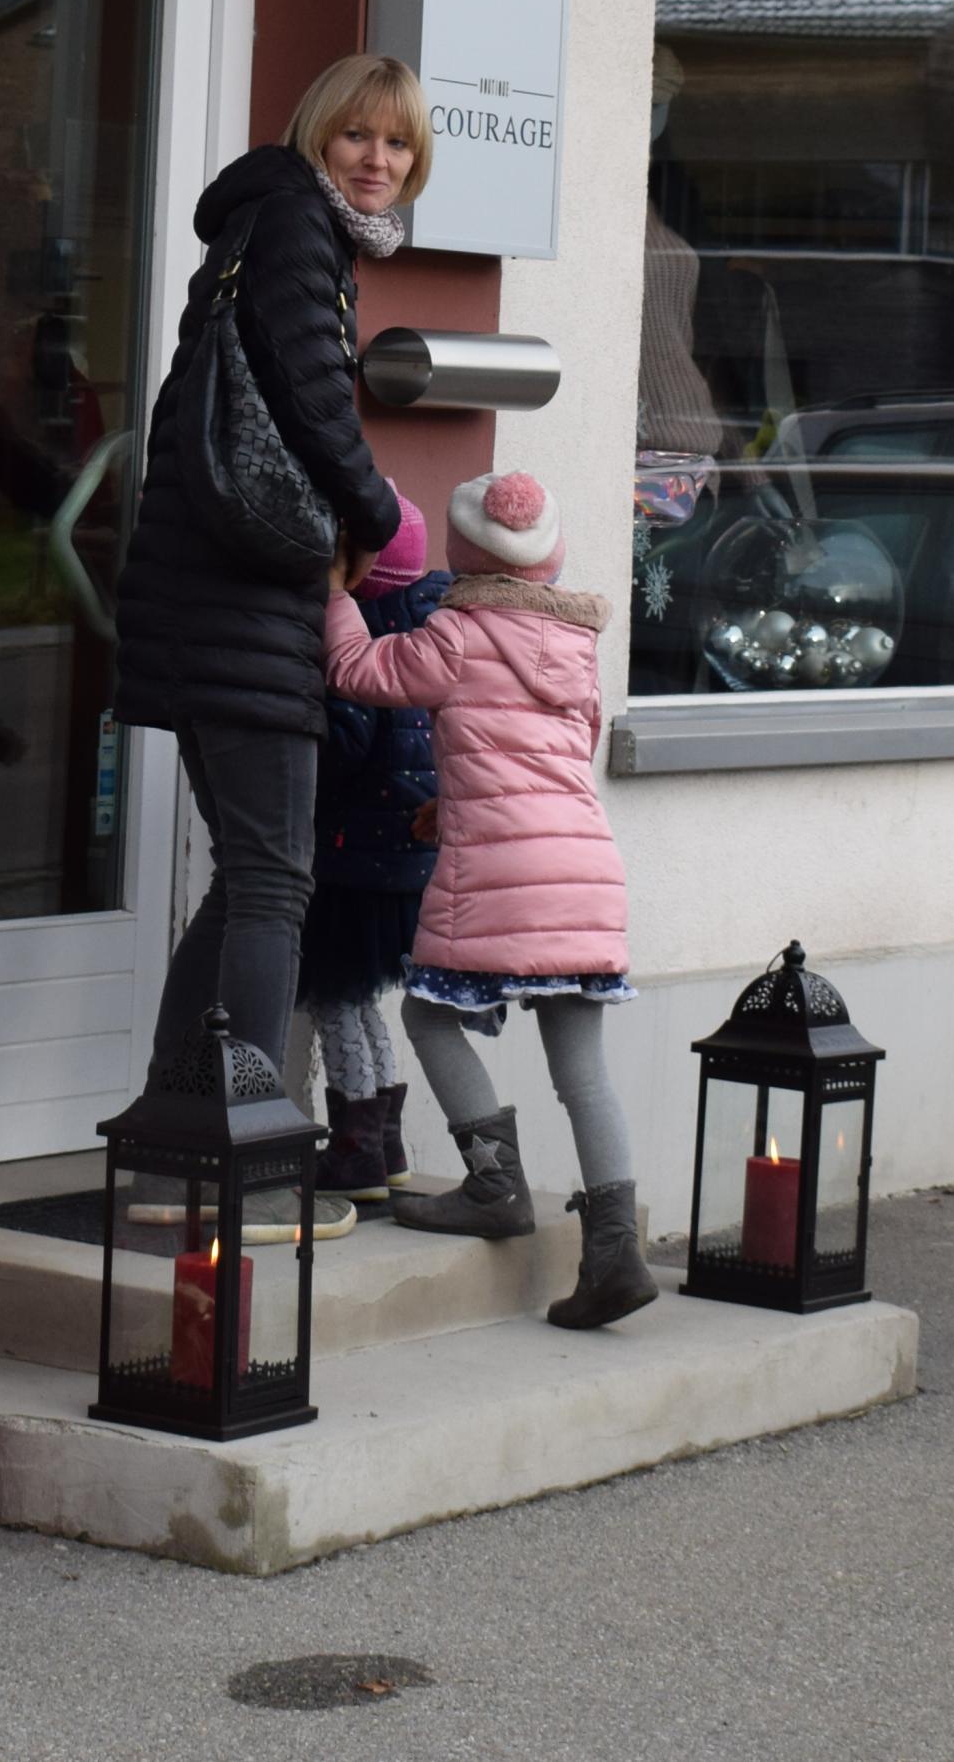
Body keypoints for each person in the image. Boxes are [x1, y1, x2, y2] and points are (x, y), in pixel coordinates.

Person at [111, 53, 417, 1099]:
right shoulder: (295, 223)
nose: (378, 159)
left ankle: (175, 1126)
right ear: (318, 132)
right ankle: (241, 1138)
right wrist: (378, 514)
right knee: (277, 884)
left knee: (248, 880)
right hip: (243, 598)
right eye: (358, 134)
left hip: (208, 595)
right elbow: (313, 395)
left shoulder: (271, 222)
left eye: (398, 143)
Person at [324, 469, 656, 1330]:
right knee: (583, 1073)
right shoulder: (577, 645)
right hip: (584, 873)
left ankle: (495, 1186)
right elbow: (553, 758)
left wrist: (333, 592)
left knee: (428, 1016)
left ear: (464, 555)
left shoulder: (457, 635)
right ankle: (616, 1251)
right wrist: (457, 800)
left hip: (501, 878)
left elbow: (357, 670)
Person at [306, 493, 448, 1203]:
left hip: (350, 860)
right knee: (366, 1003)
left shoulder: (357, 635)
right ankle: (387, 1146)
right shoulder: (431, 629)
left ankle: (354, 1151)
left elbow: (346, 741)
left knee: (336, 1000)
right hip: (404, 862)